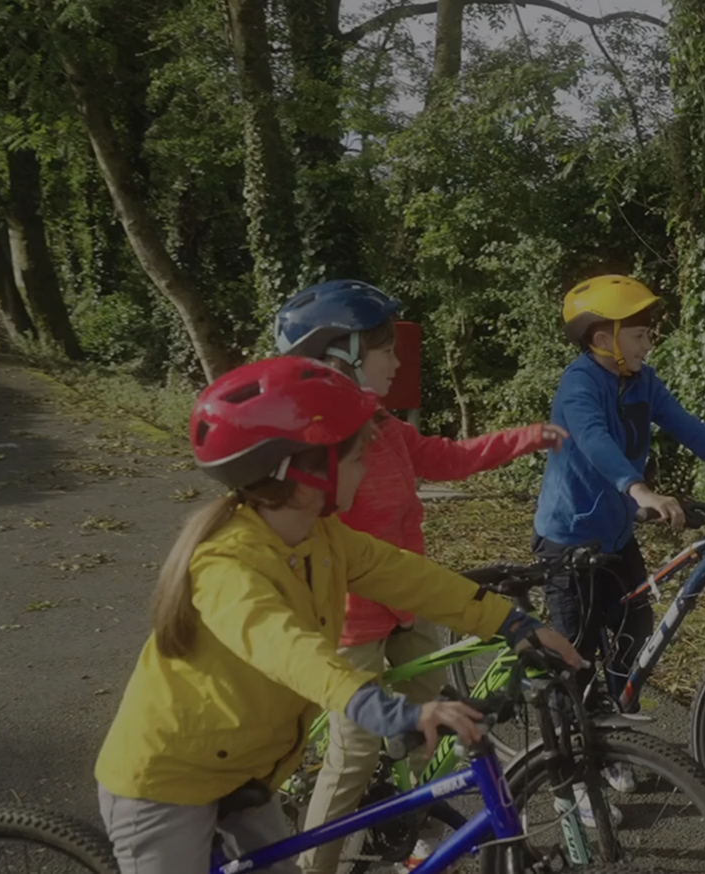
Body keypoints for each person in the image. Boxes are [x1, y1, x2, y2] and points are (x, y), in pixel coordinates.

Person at [94, 357, 583, 874]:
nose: (368, 465)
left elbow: (413, 577)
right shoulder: (227, 563)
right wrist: (380, 708)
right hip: (168, 785)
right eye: (355, 457)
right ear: (303, 471)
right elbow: (286, 648)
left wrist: (513, 624)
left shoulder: (321, 537)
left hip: (248, 773)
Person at [270, 280, 569, 874]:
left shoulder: (385, 428)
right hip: (353, 621)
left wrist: (525, 438)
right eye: (386, 349)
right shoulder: (319, 449)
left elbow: (448, 458)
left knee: (426, 739)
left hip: (407, 608)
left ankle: (420, 833)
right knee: (353, 759)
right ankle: (314, 868)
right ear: (341, 358)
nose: (399, 361)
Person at [535, 274, 705, 787]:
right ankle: (573, 777)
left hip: (617, 536)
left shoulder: (642, 382)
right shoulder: (579, 383)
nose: (648, 342)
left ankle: (609, 742)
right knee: (575, 659)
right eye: (639, 333)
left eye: (649, 333)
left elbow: (688, 427)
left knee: (633, 634)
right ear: (602, 338)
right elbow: (593, 440)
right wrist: (640, 490)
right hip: (569, 540)